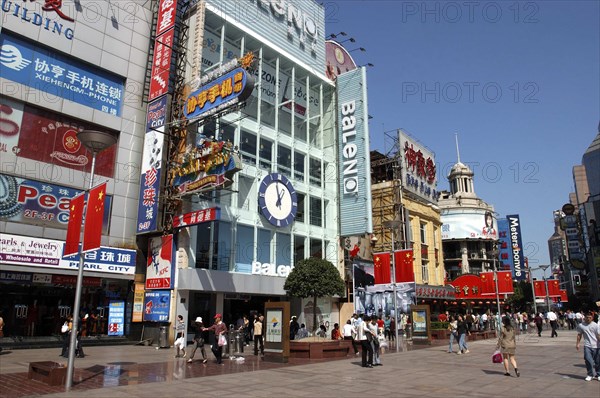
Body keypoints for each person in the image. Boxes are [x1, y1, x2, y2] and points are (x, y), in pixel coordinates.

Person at [575, 311, 600, 381]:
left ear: (592, 318)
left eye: (590, 317)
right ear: (584, 318)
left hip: (597, 346)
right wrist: (577, 343)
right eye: (587, 317)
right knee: (588, 360)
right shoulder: (581, 325)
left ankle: (598, 374)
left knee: (598, 361)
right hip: (587, 345)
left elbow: (598, 336)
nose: (588, 319)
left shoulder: (596, 325)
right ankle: (590, 374)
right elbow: (579, 335)